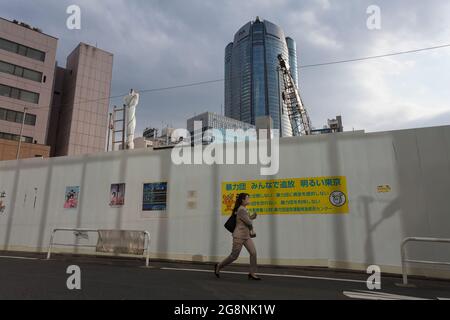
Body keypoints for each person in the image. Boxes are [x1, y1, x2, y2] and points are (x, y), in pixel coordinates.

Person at [215, 193, 261, 280]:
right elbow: (249, 222)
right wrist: (253, 217)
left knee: (253, 253)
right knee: (234, 256)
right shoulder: (241, 210)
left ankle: (252, 273)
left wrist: (251, 226)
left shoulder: (244, 209)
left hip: (246, 236)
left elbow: (247, 221)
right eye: (247, 198)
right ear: (242, 200)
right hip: (239, 236)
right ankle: (219, 266)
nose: (249, 199)